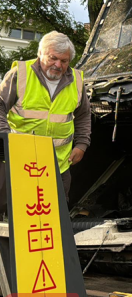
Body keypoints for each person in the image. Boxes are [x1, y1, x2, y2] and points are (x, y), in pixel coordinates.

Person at [0, 31, 91, 204]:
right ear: (40, 54)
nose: (58, 65)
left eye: (64, 61)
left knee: (55, 213)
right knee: (15, 212)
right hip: (20, 161)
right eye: (52, 58)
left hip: (58, 164)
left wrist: (82, 144)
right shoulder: (20, 74)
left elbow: (84, 114)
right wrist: (5, 137)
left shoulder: (77, 81)